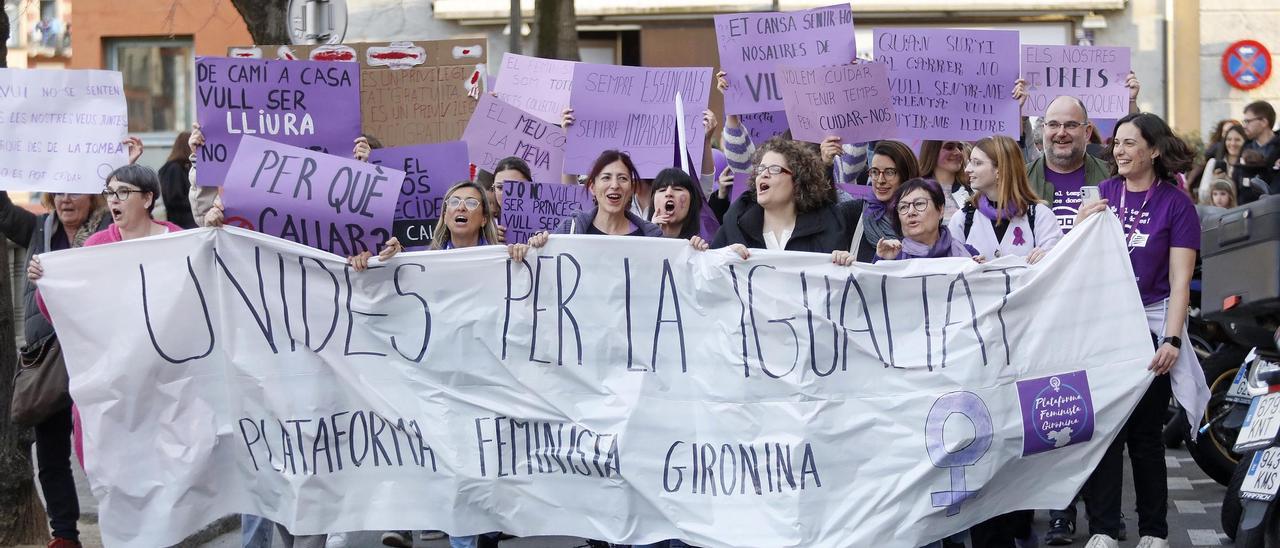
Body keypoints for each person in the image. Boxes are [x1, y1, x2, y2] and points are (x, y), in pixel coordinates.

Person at [1073, 112, 1207, 548]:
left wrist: (1171, 338)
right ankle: (1104, 530)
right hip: (1104, 330)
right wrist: (1081, 225)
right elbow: (1076, 260)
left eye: (1131, 143)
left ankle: (1154, 530)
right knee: (1104, 433)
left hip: (1152, 326)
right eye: (1117, 143)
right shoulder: (1104, 192)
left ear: (1153, 150)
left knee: (1146, 438)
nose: (1120, 151)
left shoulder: (1176, 204)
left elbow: (1180, 282)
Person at [705, 137, 864, 254]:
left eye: (774, 169)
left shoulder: (827, 225)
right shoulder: (734, 224)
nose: (763, 175)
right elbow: (708, 277)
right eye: (760, 170)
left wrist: (842, 264)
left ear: (797, 181)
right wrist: (721, 256)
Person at [950, 136, 1062, 264]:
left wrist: (1046, 257)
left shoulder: (1040, 216)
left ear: (1000, 169)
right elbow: (951, 271)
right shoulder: (963, 219)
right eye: (970, 162)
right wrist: (968, 266)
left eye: (977, 163)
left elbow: (1057, 267)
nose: (967, 169)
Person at [1021, 96, 1114, 235]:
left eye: (1071, 125)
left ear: (1087, 132)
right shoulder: (1020, 180)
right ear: (1044, 129)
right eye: (1053, 124)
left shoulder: (1111, 176)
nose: (1061, 133)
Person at [551, 150, 661, 237]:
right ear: (592, 187)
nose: (614, 185)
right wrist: (539, 246)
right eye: (606, 178)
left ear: (632, 188)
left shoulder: (652, 236)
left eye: (622, 178)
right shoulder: (570, 230)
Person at [867, 178, 977, 261]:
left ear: (940, 210)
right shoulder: (892, 257)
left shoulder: (968, 255)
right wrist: (882, 260)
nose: (910, 212)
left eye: (919, 204)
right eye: (903, 207)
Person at [850, 141, 919, 262]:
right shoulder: (854, 213)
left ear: (906, 175)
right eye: (875, 172)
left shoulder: (922, 218)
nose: (880, 180)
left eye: (889, 172)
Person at [483, 156, 534, 244]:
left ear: (531, 187)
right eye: (500, 187)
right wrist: (485, 237)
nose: (507, 193)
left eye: (515, 186)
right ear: (493, 189)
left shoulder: (546, 223)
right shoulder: (481, 224)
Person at [917, 140, 970, 221]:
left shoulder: (973, 190)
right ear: (932, 152)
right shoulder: (915, 191)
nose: (958, 152)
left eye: (960, 147)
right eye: (949, 147)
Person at [649, 168, 709, 240]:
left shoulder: (702, 243)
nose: (668, 193)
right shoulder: (640, 238)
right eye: (662, 190)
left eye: (677, 189)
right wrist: (650, 233)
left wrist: (698, 249)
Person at [159, 131, 197, 228]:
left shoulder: (182, 167)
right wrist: (196, 202)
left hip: (185, 221)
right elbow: (175, 199)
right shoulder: (175, 168)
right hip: (183, 223)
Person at [1241, 101, 1280, 184]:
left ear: (1264, 122)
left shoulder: (1277, 148)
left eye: (1248, 121)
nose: (1244, 126)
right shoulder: (1245, 147)